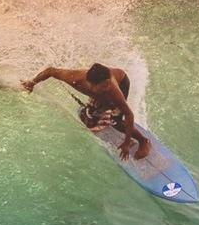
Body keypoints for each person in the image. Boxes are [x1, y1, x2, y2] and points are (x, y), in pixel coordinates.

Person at [22, 62, 151, 160]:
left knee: (115, 121)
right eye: (104, 85)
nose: (108, 87)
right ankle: (98, 111)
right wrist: (31, 83)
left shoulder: (114, 90)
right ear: (90, 84)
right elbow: (51, 71)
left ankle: (144, 140)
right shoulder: (75, 78)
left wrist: (127, 142)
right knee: (89, 121)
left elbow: (129, 114)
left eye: (108, 83)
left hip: (122, 82)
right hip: (97, 92)